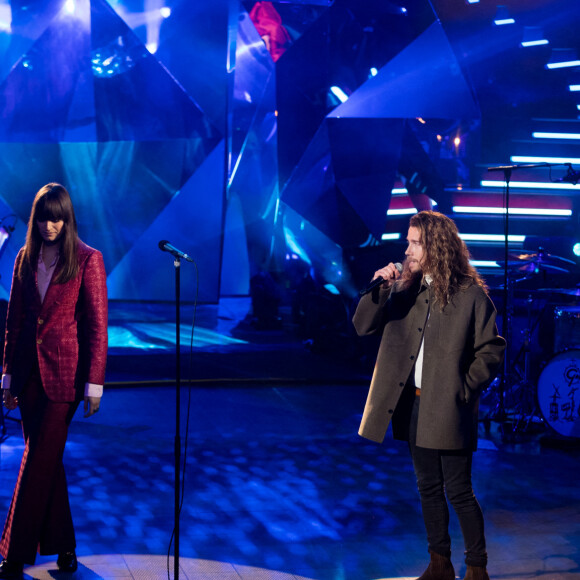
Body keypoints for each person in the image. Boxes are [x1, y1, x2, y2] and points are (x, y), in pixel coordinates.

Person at [353, 211, 505, 580]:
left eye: (415, 242)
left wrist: (463, 389)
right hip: (414, 404)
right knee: (427, 487)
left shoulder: (470, 295)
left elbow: (492, 350)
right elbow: (362, 326)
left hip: (449, 408)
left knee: (459, 490)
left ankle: (476, 567)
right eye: (408, 241)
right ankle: (440, 564)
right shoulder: (404, 288)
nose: (407, 249)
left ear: (435, 244)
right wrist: (380, 287)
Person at [0, 183, 108, 578]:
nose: (50, 225)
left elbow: (97, 326)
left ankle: (12, 555)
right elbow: (14, 322)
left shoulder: (87, 259)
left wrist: (94, 384)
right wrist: (8, 378)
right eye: (44, 217)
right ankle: (64, 549)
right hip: (28, 376)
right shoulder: (25, 258)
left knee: (35, 461)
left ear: (68, 219)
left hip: (64, 378)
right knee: (47, 463)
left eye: (57, 218)